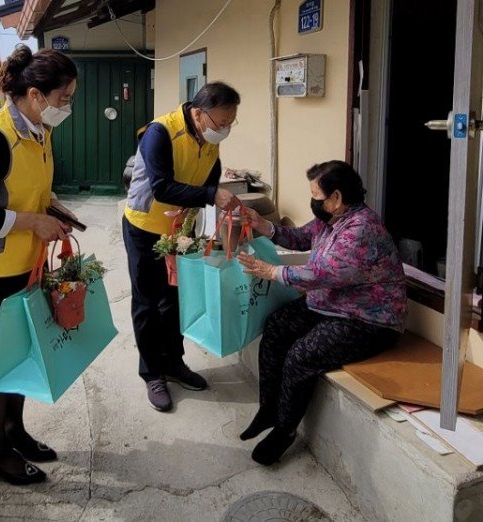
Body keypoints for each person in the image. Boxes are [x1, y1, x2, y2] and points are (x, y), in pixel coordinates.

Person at [0, 45, 78, 484]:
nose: (67, 106)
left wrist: (54, 211)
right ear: (35, 94)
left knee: (22, 356)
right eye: (63, 98)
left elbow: (29, 191)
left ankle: (15, 431)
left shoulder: (40, 131)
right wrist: (31, 222)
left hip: (27, 266)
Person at [237, 160, 407, 466]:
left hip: (368, 321)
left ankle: (284, 431)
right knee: (276, 325)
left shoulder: (362, 228)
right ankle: (269, 409)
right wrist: (265, 226)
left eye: (316, 195)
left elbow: (327, 273)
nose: (313, 200)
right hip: (331, 305)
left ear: (336, 197)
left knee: (301, 355)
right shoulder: (332, 219)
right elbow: (302, 237)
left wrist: (273, 271)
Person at [123, 81, 242, 412]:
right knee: (147, 302)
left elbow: (210, 174)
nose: (225, 128)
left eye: (231, 122)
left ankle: (173, 363)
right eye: (221, 123)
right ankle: (152, 374)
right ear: (199, 113)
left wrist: (202, 202)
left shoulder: (208, 136)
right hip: (145, 227)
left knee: (175, 299)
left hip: (180, 230)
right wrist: (208, 196)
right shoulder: (160, 132)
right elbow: (161, 187)